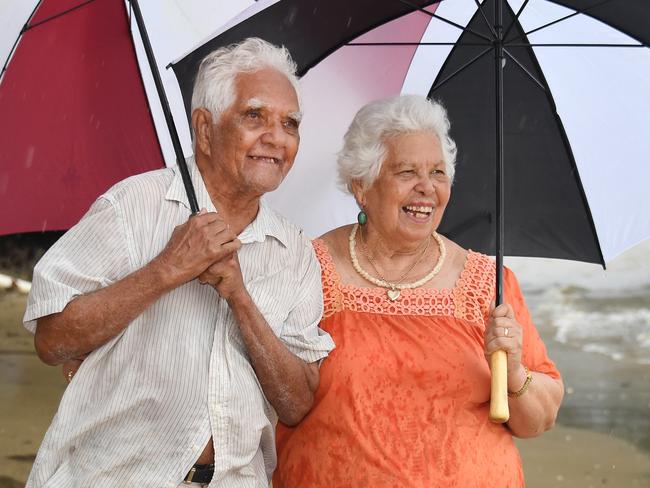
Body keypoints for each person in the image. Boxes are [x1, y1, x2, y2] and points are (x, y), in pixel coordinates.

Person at [23, 38, 334, 488]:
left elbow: (297, 403)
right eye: (254, 116)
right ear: (204, 129)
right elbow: (52, 341)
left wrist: (240, 299)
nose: (276, 138)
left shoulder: (295, 251)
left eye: (290, 123)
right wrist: (167, 269)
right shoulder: (132, 205)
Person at [273, 94, 563, 487]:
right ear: (362, 186)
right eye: (407, 172)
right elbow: (274, 395)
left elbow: (537, 421)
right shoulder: (306, 269)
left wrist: (512, 372)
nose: (426, 188)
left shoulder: (489, 283)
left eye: (438, 173)